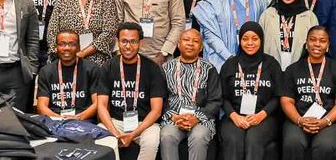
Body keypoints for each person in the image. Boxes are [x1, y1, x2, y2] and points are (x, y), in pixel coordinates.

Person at [279, 26, 336, 160]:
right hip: (298, 119)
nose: (317, 44)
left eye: (322, 40)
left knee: (324, 145)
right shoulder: (292, 70)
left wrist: (326, 121)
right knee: (293, 143)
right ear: (306, 43)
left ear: (328, 45)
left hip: (331, 121)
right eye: (312, 40)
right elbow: (286, 100)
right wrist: (299, 120)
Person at [96, 22, 167, 160]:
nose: (128, 46)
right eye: (124, 41)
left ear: (140, 42)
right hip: (116, 122)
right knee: (100, 137)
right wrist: (115, 133)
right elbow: (101, 107)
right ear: (118, 42)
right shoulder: (107, 67)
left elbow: (156, 110)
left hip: (144, 124)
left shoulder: (152, 68)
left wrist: (133, 134)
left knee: (152, 141)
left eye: (133, 41)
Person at [219, 21, 282, 160]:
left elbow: (278, 97)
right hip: (234, 117)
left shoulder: (271, 64)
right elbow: (223, 97)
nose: (250, 43)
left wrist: (260, 115)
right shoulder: (230, 65)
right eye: (245, 39)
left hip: (264, 117)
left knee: (254, 139)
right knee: (233, 139)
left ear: (261, 40)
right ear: (240, 41)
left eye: (255, 38)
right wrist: (235, 116)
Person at [159, 29, 222, 160]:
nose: (190, 44)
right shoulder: (166, 68)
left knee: (198, 137)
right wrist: (175, 117)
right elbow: (161, 99)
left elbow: (215, 101)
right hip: (174, 118)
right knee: (167, 136)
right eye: (186, 40)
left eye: (195, 41)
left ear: (201, 47)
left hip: (201, 119)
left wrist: (196, 117)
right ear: (178, 44)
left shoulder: (209, 69)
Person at [46, 0, 119, 67]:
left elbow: (109, 32)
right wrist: (62, 55)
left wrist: (82, 53)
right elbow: (52, 32)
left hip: (98, 62)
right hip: (67, 61)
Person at [36, 30, 101, 120]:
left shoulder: (91, 69)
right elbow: (41, 106)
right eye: (62, 44)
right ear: (56, 47)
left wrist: (78, 117)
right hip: (54, 120)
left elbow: (98, 104)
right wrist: (60, 119)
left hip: (84, 120)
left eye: (72, 44)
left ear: (79, 47)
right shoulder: (46, 71)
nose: (67, 48)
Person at [258, 0, 319, 69]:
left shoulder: (309, 16)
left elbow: (315, 44)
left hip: (301, 68)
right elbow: (259, 42)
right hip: (271, 68)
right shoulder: (267, 14)